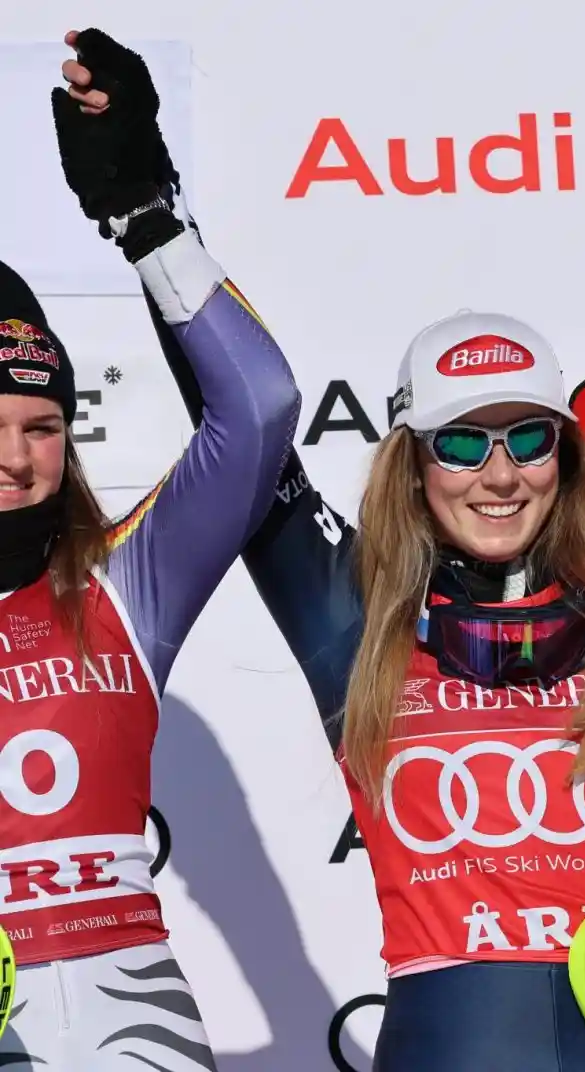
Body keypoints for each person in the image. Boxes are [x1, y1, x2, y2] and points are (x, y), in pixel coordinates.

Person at [130, 14, 585, 1069]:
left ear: (564, 453)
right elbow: (245, 419)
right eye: (461, 442)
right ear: (413, 462)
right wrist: (145, 214)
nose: (499, 474)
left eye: (527, 438)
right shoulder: (357, 616)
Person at [0, 28, 301, 1070]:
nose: (18, 458)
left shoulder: (122, 580)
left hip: (134, 1021)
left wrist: (145, 221)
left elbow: (258, 410)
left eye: (42, 426)